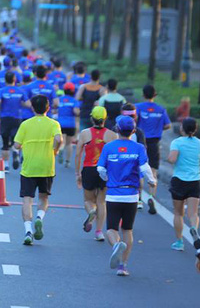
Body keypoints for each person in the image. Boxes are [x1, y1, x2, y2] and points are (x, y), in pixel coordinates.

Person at [97, 115, 157, 276]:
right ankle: (122, 266)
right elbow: (144, 168)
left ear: (116, 129)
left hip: (114, 194)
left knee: (111, 228)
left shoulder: (109, 147)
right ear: (133, 130)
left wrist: (108, 179)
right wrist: (152, 181)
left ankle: (116, 245)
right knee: (128, 230)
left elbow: (101, 169)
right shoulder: (138, 148)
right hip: (131, 195)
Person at [14, 94, 63, 245]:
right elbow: (59, 139)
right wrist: (55, 150)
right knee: (43, 197)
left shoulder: (25, 124)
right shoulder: (54, 124)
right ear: (48, 108)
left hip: (29, 167)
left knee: (27, 200)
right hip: (47, 167)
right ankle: (39, 218)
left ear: (32, 107)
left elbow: (16, 145)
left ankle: (28, 231)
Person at [75, 106, 118, 241]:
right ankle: (99, 232)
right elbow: (115, 156)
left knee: (88, 200)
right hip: (105, 170)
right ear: (105, 119)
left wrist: (77, 173)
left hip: (88, 169)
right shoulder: (112, 135)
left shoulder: (84, 133)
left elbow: (78, 154)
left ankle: (91, 212)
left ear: (91, 118)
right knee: (101, 201)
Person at [167, 117, 200, 251]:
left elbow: (172, 159)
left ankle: (179, 242)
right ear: (195, 129)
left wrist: (171, 158)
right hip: (195, 181)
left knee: (178, 213)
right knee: (193, 213)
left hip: (179, 180)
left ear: (182, 128)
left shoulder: (177, 142)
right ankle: (193, 228)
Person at [135, 84, 171, 214]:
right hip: (154, 143)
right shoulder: (161, 110)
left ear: (143, 94)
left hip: (141, 142)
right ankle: (151, 197)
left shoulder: (138, 107)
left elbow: (135, 120)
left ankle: (139, 199)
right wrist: (158, 127)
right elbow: (168, 125)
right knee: (153, 171)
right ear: (154, 95)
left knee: (139, 170)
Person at [0, 71, 28, 171]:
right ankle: (16, 152)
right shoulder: (21, 91)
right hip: (17, 118)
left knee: (5, 143)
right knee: (17, 139)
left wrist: (0, 107)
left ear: (5, 80)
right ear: (15, 80)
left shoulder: (1, 90)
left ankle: (6, 165)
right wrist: (19, 104)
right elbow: (28, 104)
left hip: (5, 117)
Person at [57, 82, 80, 167]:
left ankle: (60, 150)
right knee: (69, 143)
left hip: (60, 123)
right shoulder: (74, 101)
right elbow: (76, 111)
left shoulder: (59, 99)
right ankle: (67, 161)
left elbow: (55, 108)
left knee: (61, 141)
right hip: (70, 124)